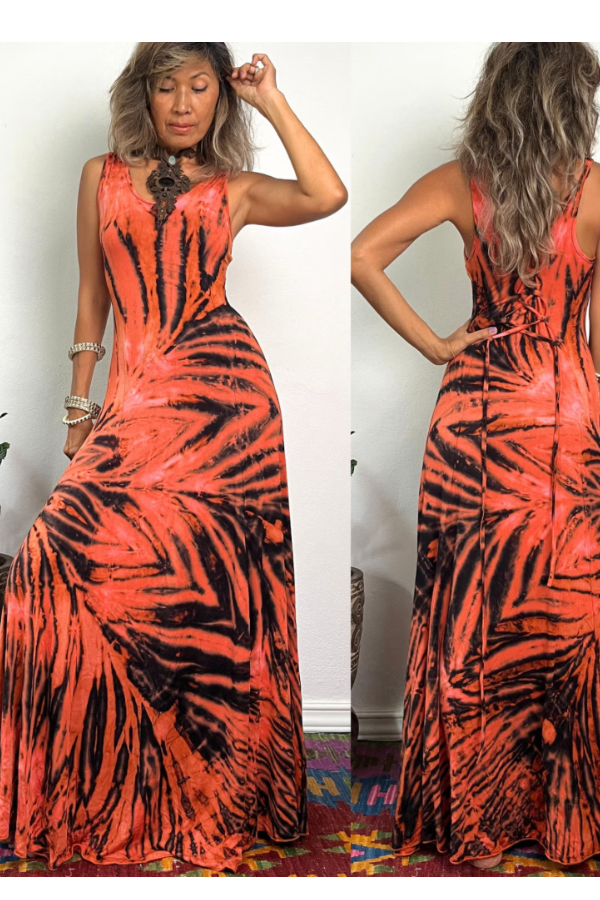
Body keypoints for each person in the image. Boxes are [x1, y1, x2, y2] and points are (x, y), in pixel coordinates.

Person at [0, 42, 347, 872]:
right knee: (47, 567)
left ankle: (207, 790)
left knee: (206, 602)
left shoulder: (234, 189)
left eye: (200, 87)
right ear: (142, 95)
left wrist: (270, 99)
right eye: (167, 86)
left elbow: (328, 194)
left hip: (225, 411)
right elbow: (92, 298)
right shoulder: (100, 176)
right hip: (135, 400)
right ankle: (106, 783)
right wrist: (80, 411)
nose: (184, 103)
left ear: (219, 100)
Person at [351, 42, 600, 871]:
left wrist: (436, 346)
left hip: (478, 422)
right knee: (569, 618)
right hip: (565, 418)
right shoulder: (596, 188)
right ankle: (564, 820)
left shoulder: (463, 181)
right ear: (572, 101)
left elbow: (360, 255)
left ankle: (477, 819)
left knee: (472, 616)